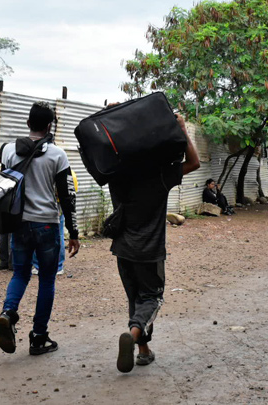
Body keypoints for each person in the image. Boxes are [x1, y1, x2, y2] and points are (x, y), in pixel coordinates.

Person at [109, 113, 200, 373]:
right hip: (148, 250)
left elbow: (105, 147)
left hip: (123, 248)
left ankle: (143, 350)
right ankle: (133, 334)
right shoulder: (160, 174)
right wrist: (182, 127)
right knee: (151, 298)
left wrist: (115, 115)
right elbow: (194, 162)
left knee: (135, 299)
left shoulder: (117, 172)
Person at [0, 101, 81, 355]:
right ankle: (39, 337)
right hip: (47, 224)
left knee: (20, 274)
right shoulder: (57, 155)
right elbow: (67, 196)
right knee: (46, 280)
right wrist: (73, 233)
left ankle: (8, 313)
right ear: (49, 126)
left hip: (18, 223)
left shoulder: (8, 150)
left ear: (28, 123)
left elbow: (2, 185)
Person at [32, 170, 79, 275]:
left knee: (39, 234)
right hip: (58, 205)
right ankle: (57, 266)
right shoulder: (68, 171)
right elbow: (72, 191)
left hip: (42, 205)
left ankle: (39, 266)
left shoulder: (44, 170)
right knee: (58, 234)